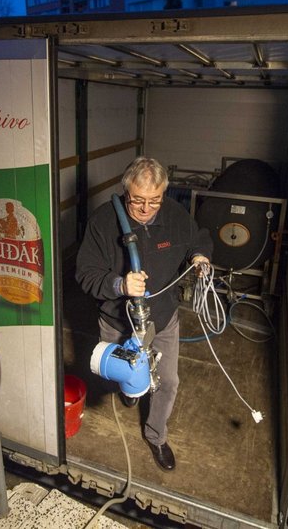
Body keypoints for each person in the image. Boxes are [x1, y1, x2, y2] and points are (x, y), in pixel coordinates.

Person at [75, 156, 212, 472]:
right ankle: (131, 391)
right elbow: (85, 273)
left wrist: (200, 255)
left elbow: (198, 237)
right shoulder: (103, 222)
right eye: (138, 201)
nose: (147, 209)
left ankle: (156, 435)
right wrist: (119, 283)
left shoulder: (175, 215)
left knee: (168, 381)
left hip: (162, 318)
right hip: (117, 320)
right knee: (126, 378)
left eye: (155, 201)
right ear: (125, 193)